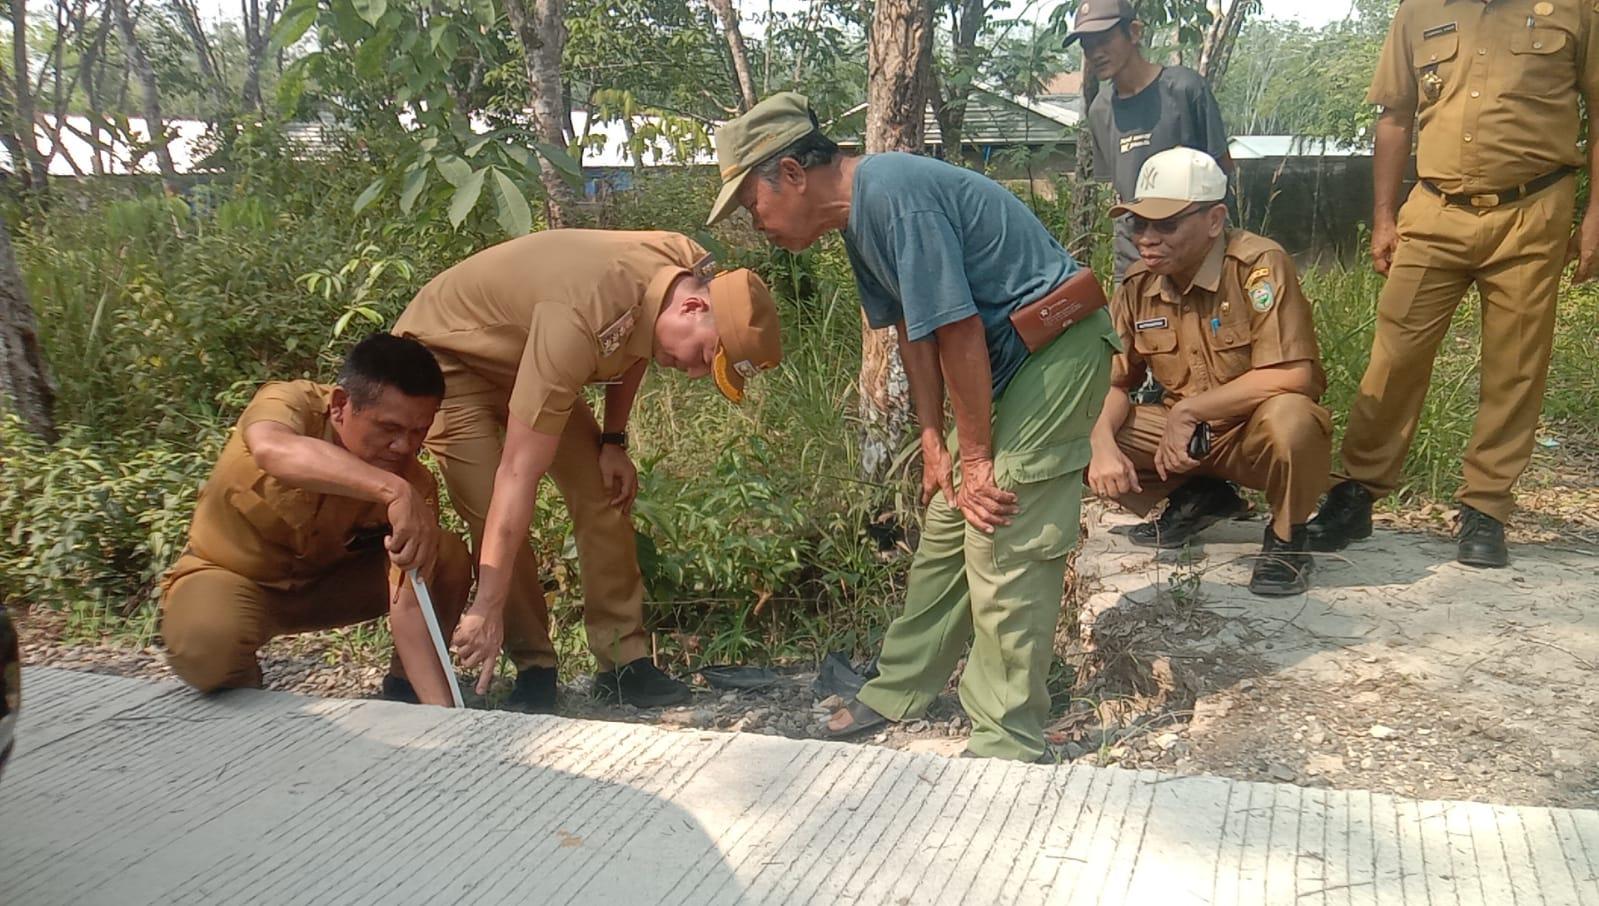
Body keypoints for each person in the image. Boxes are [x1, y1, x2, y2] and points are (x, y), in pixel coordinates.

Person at [707, 92, 1119, 762]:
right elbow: (912, 333)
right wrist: (935, 443)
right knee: (950, 520)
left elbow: (955, 327)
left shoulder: (893, 192)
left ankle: (1006, 737)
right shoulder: (858, 221)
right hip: (999, 366)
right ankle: (901, 687)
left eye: (751, 205)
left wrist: (978, 456)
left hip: (1055, 347)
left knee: (999, 521)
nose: (756, 225)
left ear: (788, 173)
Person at [393, 230, 782, 711]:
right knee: (492, 508)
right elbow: (518, 472)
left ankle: (624, 663)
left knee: (604, 489)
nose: (698, 373)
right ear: (692, 310)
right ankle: (533, 667)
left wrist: (613, 439)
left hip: (527, 356)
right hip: (450, 360)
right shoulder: (580, 316)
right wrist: (485, 602)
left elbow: (637, 338)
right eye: (707, 355)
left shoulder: (683, 267)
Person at [1308, 0, 1599, 568]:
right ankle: (1357, 494)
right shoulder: (1418, 10)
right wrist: (1386, 216)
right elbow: (1394, 116)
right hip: (1434, 211)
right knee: (1394, 358)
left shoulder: (1576, 9)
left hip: (1533, 210)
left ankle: (1486, 506)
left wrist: (1595, 217)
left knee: (1515, 365)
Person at [161, 334, 472, 706]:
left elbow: (408, 605)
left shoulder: (415, 484)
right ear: (341, 405)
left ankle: (404, 696)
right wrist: (390, 489)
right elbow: (271, 448)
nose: (404, 447)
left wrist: (446, 720)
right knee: (205, 648)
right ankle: (243, 694)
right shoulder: (290, 404)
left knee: (446, 553)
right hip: (233, 576)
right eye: (389, 429)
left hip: (330, 588)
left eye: (418, 431)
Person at [1087, 148, 1330, 596]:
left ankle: (1287, 539)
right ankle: (1199, 497)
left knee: (1293, 420)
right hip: (1185, 445)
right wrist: (1101, 443)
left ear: (1214, 220)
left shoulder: (1257, 266)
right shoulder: (1138, 286)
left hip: (1252, 434)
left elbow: (1295, 375)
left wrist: (1190, 412)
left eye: (1166, 224)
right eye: (1139, 224)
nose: (1146, 238)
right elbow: (1116, 381)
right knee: (1083, 421)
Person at [1068, 0, 1233, 283]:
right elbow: (1120, 192)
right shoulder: (1100, 110)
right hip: (1137, 261)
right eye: (1087, 45)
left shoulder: (1183, 89)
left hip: (1195, 257)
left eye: (1104, 39)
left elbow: (1223, 172)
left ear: (1134, 32)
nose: (1096, 53)